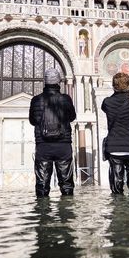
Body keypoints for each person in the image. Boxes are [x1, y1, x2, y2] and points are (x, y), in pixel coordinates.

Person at [29, 68, 76, 197]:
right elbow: (72, 117)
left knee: (42, 185)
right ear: (59, 82)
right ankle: (66, 214)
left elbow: (32, 121)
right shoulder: (66, 99)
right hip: (63, 145)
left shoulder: (36, 100)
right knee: (66, 184)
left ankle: (43, 214)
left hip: (43, 146)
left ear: (45, 81)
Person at [101, 72, 129, 194]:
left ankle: (118, 209)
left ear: (113, 85)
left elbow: (104, 108)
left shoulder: (107, 102)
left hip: (114, 146)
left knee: (116, 183)